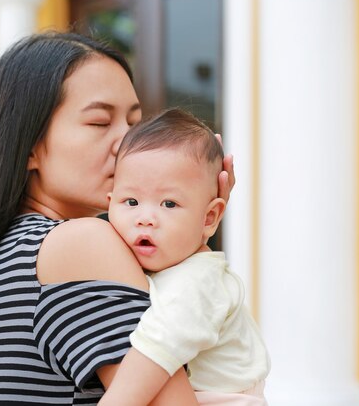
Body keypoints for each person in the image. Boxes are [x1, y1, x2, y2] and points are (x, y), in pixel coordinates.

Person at [0, 32, 235, 405]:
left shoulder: (6, 254)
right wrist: (194, 229)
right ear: (29, 148)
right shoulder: (82, 244)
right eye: (100, 123)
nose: (126, 144)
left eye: (135, 123)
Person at [100, 109, 270, 405]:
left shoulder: (195, 282)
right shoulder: (162, 266)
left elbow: (148, 360)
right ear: (109, 204)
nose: (146, 218)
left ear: (209, 218)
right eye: (131, 201)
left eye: (169, 203)